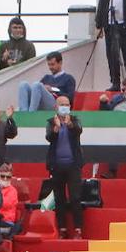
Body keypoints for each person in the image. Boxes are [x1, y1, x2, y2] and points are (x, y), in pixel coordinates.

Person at [43, 97, 85, 239]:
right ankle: (62, 229)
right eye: (62, 105)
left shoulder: (75, 119)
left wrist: (70, 125)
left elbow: (79, 131)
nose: (65, 107)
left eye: (67, 105)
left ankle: (78, 229)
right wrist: (56, 128)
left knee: (75, 197)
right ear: (56, 107)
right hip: (57, 166)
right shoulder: (50, 121)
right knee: (59, 198)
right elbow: (49, 137)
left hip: (73, 165)